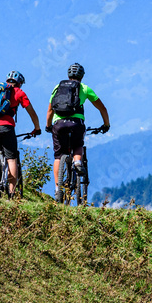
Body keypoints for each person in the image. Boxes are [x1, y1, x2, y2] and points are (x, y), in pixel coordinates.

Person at [46, 62, 110, 201]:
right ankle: (77, 162)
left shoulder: (58, 87)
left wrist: (48, 126)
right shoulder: (85, 88)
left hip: (58, 125)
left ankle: (57, 189)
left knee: (58, 156)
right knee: (77, 145)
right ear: (82, 76)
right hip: (76, 124)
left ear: (68, 75)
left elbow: (50, 110)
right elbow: (102, 108)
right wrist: (106, 124)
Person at [0, 70, 40, 197]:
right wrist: (37, 128)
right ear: (20, 83)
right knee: (12, 158)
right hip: (6, 127)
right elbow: (31, 111)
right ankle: (11, 193)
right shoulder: (19, 92)